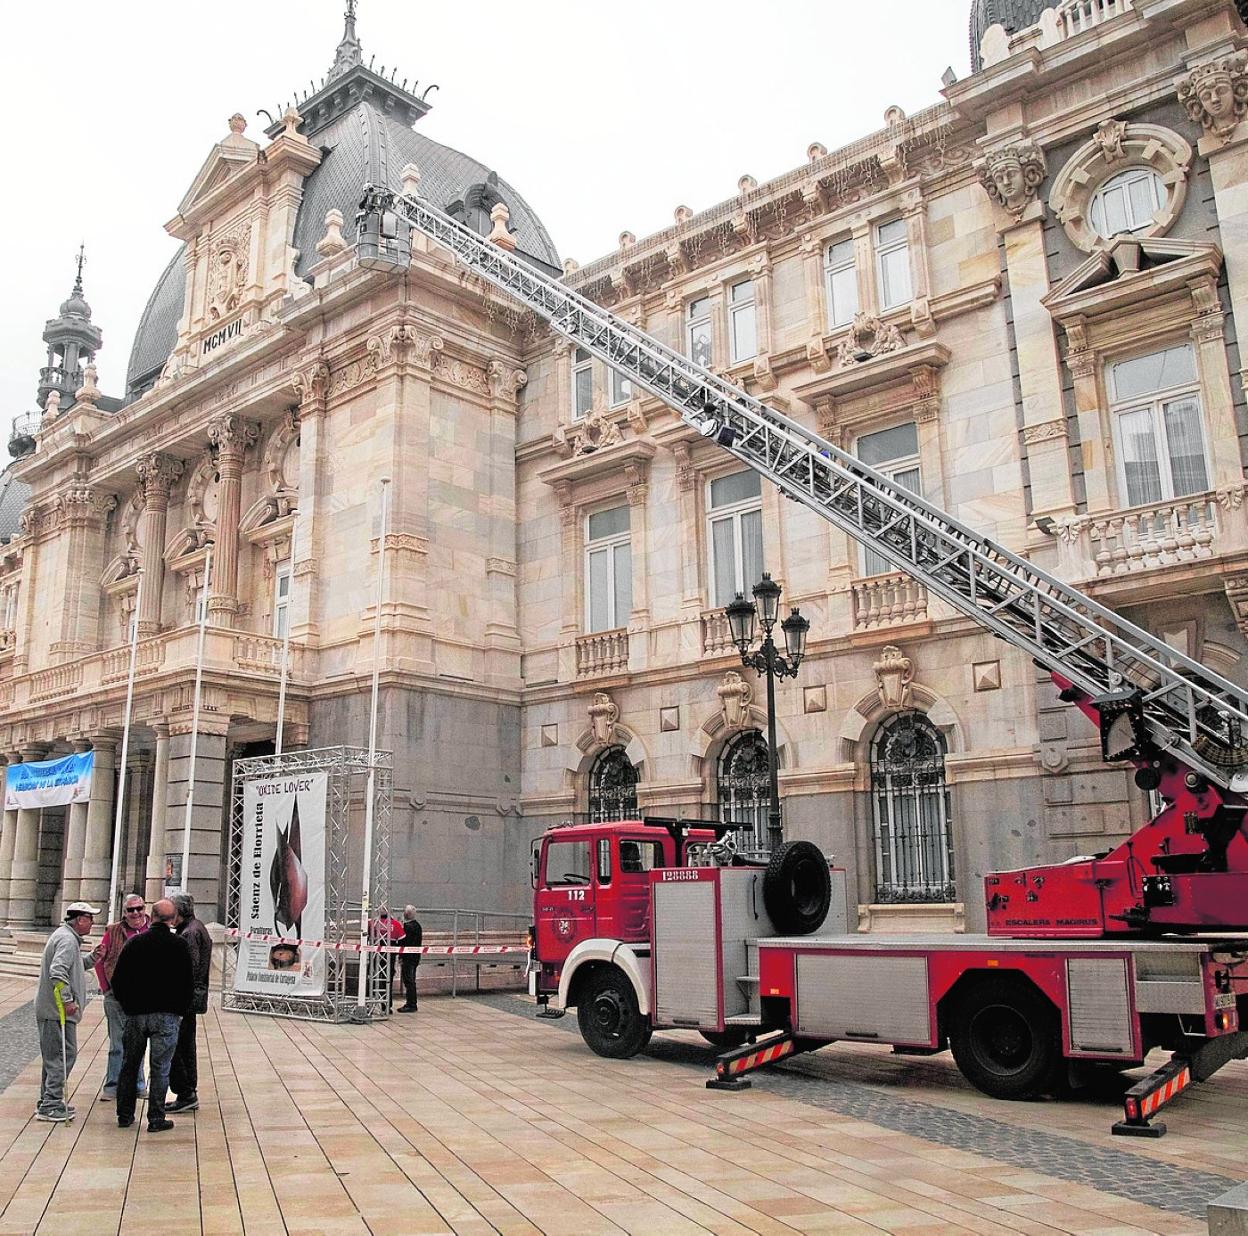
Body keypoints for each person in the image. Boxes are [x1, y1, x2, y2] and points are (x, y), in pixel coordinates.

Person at [110, 898, 192, 1133]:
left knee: (130, 1064)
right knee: (160, 1068)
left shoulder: (135, 943)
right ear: (172, 920)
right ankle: (156, 1117)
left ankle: (125, 1114)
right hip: (167, 1015)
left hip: (136, 1014)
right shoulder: (179, 945)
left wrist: (128, 1005)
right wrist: (180, 1011)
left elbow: (118, 980)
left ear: (152, 916)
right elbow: (188, 983)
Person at [33, 901, 97, 1122]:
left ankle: (48, 1100)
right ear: (80, 920)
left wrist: (93, 958)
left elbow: (74, 966)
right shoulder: (67, 940)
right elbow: (58, 971)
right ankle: (50, 1104)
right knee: (62, 1056)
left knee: (55, 1056)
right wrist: (67, 1000)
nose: (92, 923)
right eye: (90, 918)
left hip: (54, 1011)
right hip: (56, 1012)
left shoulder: (67, 938)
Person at [90, 893, 150, 1102]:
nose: (136, 913)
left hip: (143, 998)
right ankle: (112, 1086)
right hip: (115, 997)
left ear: (145, 909)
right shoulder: (113, 931)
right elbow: (100, 959)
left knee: (139, 1043)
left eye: (139, 908)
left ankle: (138, 1085)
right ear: (124, 913)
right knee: (117, 1044)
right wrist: (106, 988)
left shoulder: (152, 929)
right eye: (131, 910)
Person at [167, 892, 211, 1115]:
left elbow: (189, 967)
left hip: (184, 999)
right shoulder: (193, 928)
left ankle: (185, 1091)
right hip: (189, 997)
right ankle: (186, 1092)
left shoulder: (190, 933)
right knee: (185, 1046)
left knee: (179, 1047)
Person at [372, 909, 404, 1009]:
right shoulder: (396, 924)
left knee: (375, 978)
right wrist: (400, 956)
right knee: (388, 980)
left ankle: (375, 1002)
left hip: (375, 955)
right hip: (390, 956)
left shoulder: (373, 924)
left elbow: (367, 936)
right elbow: (402, 941)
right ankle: (387, 1004)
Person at [398, 904, 422, 1013]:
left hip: (408, 958)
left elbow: (403, 942)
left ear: (406, 914)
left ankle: (411, 1004)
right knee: (411, 980)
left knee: (409, 981)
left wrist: (401, 956)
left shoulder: (407, 927)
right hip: (415, 957)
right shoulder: (417, 926)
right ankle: (411, 1003)